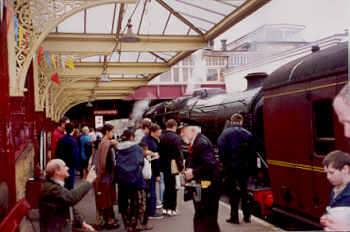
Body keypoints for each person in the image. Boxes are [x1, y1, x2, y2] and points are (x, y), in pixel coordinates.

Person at [217, 113, 256, 224]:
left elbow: (221, 149)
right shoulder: (247, 134)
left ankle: (234, 217)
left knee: (233, 192)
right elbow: (253, 153)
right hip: (244, 168)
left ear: (231, 121)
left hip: (230, 168)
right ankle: (247, 216)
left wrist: (224, 163)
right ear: (241, 122)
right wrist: (251, 169)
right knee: (245, 191)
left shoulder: (225, 133)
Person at [39, 159, 96, 232]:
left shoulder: (54, 185)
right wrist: (88, 182)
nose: (67, 168)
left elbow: (68, 205)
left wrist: (82, 223)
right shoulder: (51, 188)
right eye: (64, 166)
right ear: (57, 171)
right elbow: (71, 198)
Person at [182, 125, 221, 232]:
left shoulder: (201, 143)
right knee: (207, 217)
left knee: (203, 216)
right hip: (206, 185)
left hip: (206, 185)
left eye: (184, 131)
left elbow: (210, 164)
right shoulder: (199, 141)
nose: (182, 134)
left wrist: (193, 172)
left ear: (193, 131)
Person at [116, 129, 151, 232]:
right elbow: (141, 162)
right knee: (136, 203)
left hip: (122, 180)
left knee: (124, 202)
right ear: (131, 137)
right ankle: (135, 224)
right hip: (136, 180)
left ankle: (127, 225)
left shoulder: (119, 148)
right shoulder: (136, 148)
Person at [94, 124, 119, 229]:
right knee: (107, 198)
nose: (113, 134)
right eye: (112, 132)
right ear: (107, 131)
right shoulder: (106, 144)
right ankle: (109, 220)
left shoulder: (104, 143)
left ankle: (108, 219)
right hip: (106, 175)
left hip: (105, 175)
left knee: (106, 198)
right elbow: (105, 162)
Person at [320, 150, 350, 231]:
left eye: (331, 172)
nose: (328, 177)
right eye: (326, 173)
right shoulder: (335, 190)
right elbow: (333, 209)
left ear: (345, 169)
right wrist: (326, 216)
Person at [159, 119, 184, 216]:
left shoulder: (161, 136)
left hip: (163, 164)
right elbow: (178, 153)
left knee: (166, 185)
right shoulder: (175, 137)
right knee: (173, 187)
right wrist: (181, 166)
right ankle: (172, 209)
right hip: (173, 164)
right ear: (174, 126)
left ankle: (165, 207)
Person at [141, 123, 163, 220]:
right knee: (151, 191)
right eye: (158, 132)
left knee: (150, 190)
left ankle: (150, 210)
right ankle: (151, 212)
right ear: (153, 132)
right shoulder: (149, 141)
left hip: (150, 169)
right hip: (151, 170)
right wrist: (153, 154)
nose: (160, 134)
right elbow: (145, 153)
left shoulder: (149, 140)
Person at [55, 123, 80, 190]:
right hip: (70, 165)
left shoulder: (61, 140)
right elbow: (75, 154)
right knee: (69, 184)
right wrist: (77, 165)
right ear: (73, 130)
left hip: (61, 164)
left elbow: (57, 152)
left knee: (62, 183)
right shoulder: (73, 141)